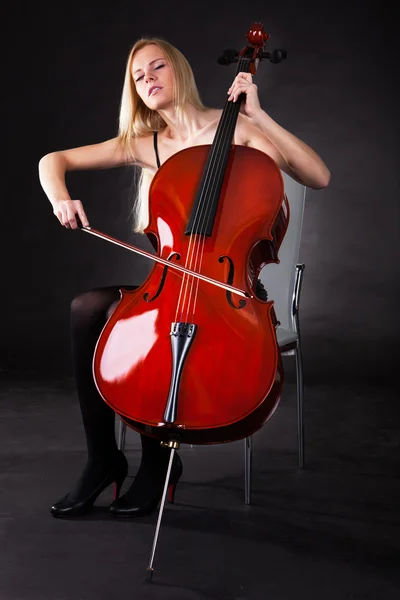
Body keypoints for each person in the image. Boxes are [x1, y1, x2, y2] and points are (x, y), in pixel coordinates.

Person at [38, 37, 331, 519]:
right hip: (171, 284)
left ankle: (157, 465)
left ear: (179, 72)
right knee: (88, 308)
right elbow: (54, 160)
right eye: (138, 76)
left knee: (147, 334)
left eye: (156, 68)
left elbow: (317, 176)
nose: (147, 79)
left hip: (225, 291)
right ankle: (103, 458)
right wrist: (59, 198)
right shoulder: (146, 143)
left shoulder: (236, 129)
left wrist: (259, 116)